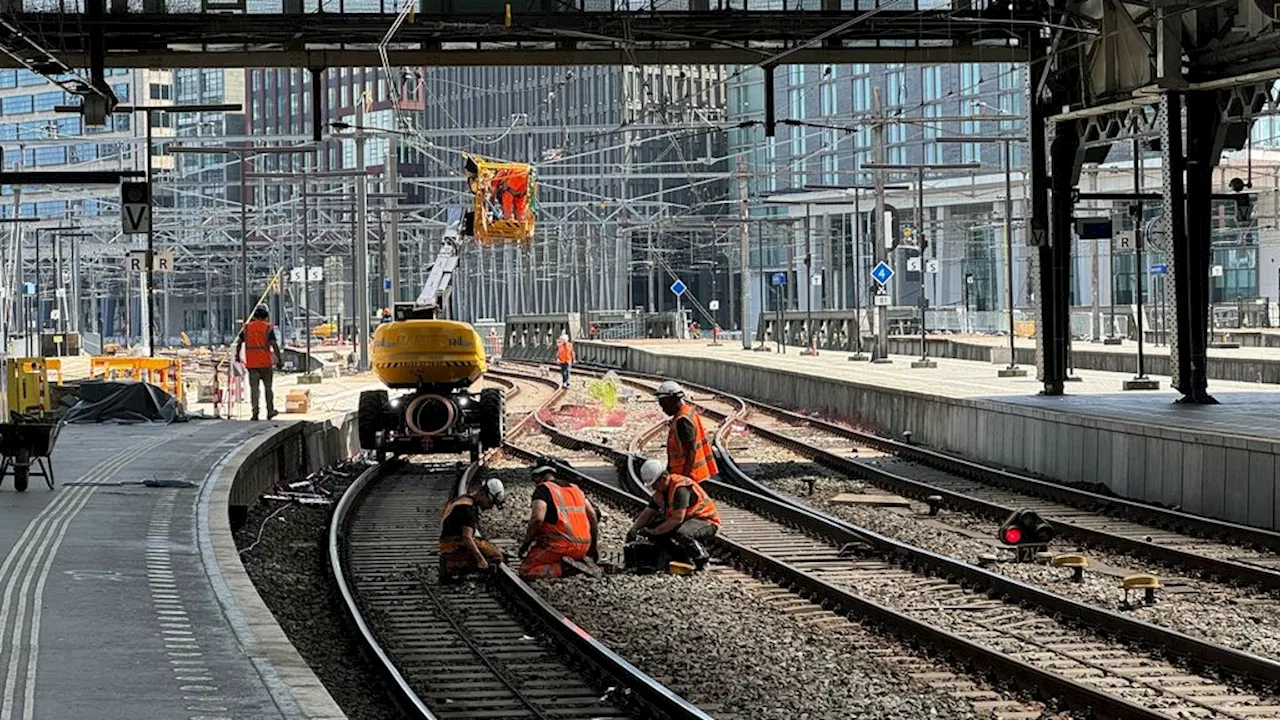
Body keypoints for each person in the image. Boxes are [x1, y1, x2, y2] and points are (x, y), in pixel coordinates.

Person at [626, 458, 719, 570]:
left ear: (663, 478)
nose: (653, 488)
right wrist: (634, 529)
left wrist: (654, 532)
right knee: (654, 530)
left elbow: (677, 519)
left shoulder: (680, 488)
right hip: (687, 520)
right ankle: (681, 558)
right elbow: (648, 512)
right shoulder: (661, 492)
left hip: (705, 520)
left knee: (683, 534)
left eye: (654, 485)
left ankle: (702, 559)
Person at [518, 464, 599, 579]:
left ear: (539, 476)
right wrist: (593, 546)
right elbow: (592, 515)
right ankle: (574, 562)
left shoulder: (543, 489)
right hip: (583, 547)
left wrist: (526, 544)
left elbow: (537, 519)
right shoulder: (576, 489)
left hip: (560, 547)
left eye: (534, 478)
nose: (534, 482)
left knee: (526, 570)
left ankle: (566, 570)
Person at [439, 478, 507, 579]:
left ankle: (453, 563)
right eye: (491, 502)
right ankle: (456, 566)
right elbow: (467, 537)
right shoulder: (468, 509)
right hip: (453, 546)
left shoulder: (463, 499)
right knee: (496, 556)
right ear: (483, 494)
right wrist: (481, 560)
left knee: (488, 548)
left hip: (446, 542)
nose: (490, 507)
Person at [654, 380, 717, 483]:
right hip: (694, 474)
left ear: (673, 400)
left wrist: (684, 479)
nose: (663, 409)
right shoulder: (688, 411)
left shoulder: (682, 421)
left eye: (664, 404)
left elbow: (691, 451)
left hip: (690, 476)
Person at [234, 305, 284, 421]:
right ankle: (270, 411)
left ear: (254, 317)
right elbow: (274, 345)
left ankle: (255, 413)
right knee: (268, 388)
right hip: (265, 363)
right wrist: (279, 359)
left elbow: (239, 343)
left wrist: (237, 357)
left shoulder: (247, 328)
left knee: (254, 389)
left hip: (251, 364)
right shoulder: (267, 328)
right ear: (266, 316)